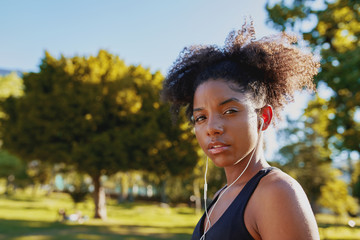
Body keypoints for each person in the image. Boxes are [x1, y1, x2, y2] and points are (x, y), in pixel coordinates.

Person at [161, 20, 320, 240]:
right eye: (200, 117)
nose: (212, 128)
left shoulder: (277, 193)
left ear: (263, 117)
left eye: (229, 111)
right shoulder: (221, 195)